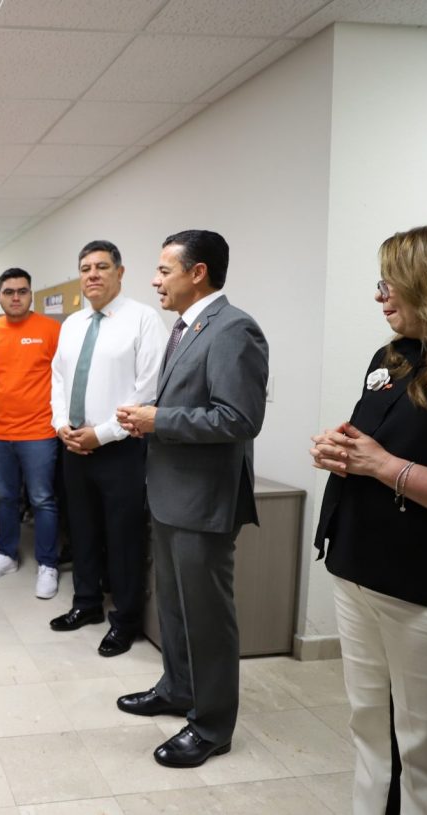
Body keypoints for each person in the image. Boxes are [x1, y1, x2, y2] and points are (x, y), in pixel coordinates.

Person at [310, 217, 427, 814]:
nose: (381, 296)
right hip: (359, 568)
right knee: (371, 734)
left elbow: (393, 463)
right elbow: (374, 443)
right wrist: (341, 450)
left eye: (392, 283)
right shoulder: (396, 356)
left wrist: (386, 467)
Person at [117, 230, 268, 769]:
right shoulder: (185, 328)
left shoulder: (233, 329)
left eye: (164, 270)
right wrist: (151, 421)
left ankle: (211, 725)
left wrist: (159, 420)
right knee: (176, 608)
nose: (155, 281)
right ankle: (178, 688)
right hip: (170, 493)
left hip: (203, 501)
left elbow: (238, 418)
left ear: (197, 272)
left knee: (206, 617)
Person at [49, 244, 165, 656]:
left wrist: (102, 433)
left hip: (121, 448)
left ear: (120, 272)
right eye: (85, 268)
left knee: (123, 537)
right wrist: (61, 425)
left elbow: (148, 391)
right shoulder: (72, 323)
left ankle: (126, 620)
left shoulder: (143, 320)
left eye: (101, 267)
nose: (92, 274)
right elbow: (58, 379)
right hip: (74, 446)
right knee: (81, 530)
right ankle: (86, 604)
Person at [0, 268, 63, 598]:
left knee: (42, 499)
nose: (16, 297)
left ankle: (47, 564)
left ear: (31, 295)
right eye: (9, 292)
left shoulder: (51, 330)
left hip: (39, 431)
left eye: (22, 291)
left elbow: (63, 377)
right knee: (5, 497)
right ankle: (7, 555)